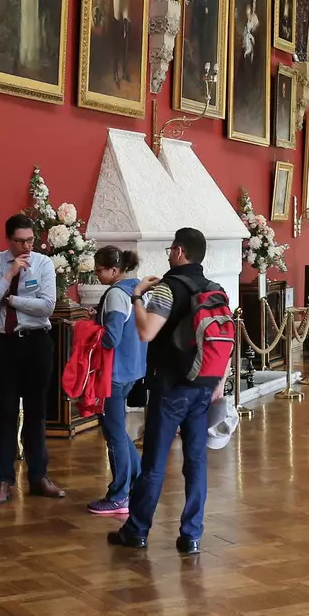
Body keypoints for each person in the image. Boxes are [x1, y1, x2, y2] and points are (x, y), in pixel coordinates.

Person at [110, 228, 226, 555]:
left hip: (171, 386)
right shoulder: (215, 289)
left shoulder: (166, 289)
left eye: (170, 249)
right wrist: (217, 382)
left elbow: (147, 332)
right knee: (195, 461)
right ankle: (191, 535)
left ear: (178, 252)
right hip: (204, 386)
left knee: (155, 462)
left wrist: (137, 296)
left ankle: (137, 530)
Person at [0, 214, 65, 505]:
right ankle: (3, 480)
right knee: (7, 414)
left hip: (37, 343)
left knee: (37, 413)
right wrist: (9, 275)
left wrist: (13, 301)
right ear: (9, 240)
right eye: (20, 241)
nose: (27, 246)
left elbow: (47, 307)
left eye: (30, 240)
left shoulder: (43, 264)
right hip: (4, 346)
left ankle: (39, 477)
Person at [87, 246, 143, 518]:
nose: (97, 275)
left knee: (114, 433)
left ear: (113, 270)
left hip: (115, 372)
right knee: (118, 430)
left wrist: (90, 329)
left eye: (99, 270)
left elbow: (111, 338)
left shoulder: (115, 295)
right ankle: (137, 482)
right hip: (133, 368)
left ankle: (119, 495)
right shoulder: (137, 288)